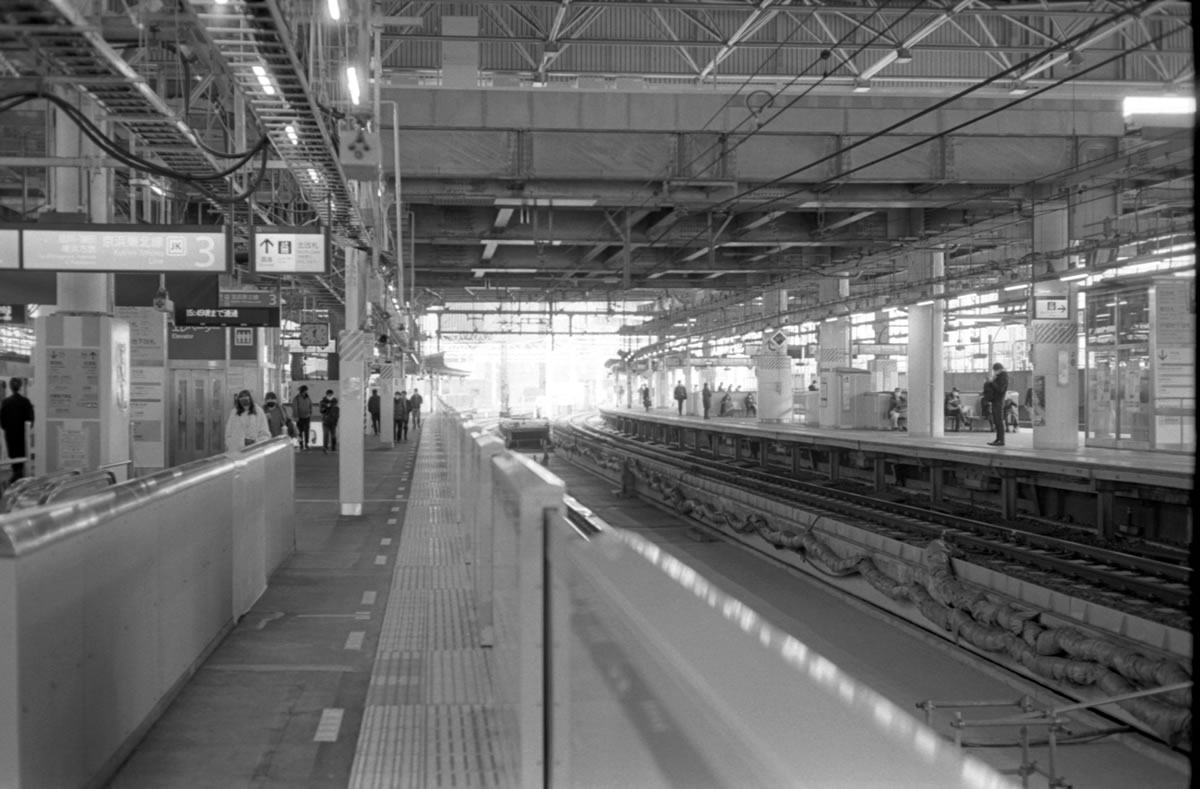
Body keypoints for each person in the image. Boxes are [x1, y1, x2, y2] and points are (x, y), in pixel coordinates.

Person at [0, 378, 34, 482]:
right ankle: (19, 477)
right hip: (22, 435)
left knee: (14, 457)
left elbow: (2, 421)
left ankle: (16, 477)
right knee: (23, 457)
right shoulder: (26, 402)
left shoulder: (6, 402)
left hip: (10, 435)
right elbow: (31, 420)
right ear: (20, 386)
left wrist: (8, 429)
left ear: (10, 387)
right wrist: (26, 431)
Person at [987, 363, 1009, 446]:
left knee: (999, 421)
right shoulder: (999, 377)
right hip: (995, 401)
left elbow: (1000, 389)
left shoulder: (1004, 377)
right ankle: (998, 438)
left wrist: (992, 382)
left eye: (995, 370)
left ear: (999, 369)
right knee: (996, 421)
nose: (994, 372)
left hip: (999, 401)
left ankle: (1001, 440)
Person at [292, 385, 313, 451]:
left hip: (307, 417)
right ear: (302, 391)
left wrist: (310, 412)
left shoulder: (308, 397)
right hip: (300, 418)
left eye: (306, 391)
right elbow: (295, 408)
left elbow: (310, 405)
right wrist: (296, 416)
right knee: (300, 432)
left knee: (307, 431)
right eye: (305, 390)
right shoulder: (296, 398)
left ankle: (306, 444)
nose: (306, 392)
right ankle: (300, 444)